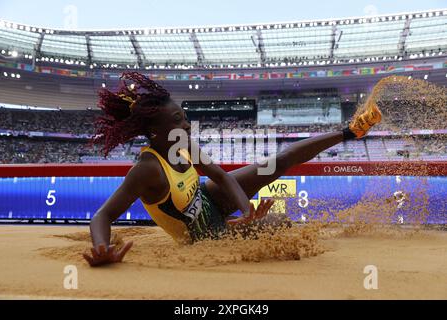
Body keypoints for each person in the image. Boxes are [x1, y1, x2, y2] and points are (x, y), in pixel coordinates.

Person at [83, 72, 382, 267]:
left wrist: (245, 210)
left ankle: (349, 132)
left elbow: (220, 176)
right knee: (280, 224)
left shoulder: (182, 145)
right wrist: (101, 248)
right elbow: (103, 215)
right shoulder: (147, 170)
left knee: (277, 162)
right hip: (203, 234)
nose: (186, 124)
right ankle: (250, 225)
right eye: (178, 119)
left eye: (184, 117)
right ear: (154, 131)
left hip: (209, 197)